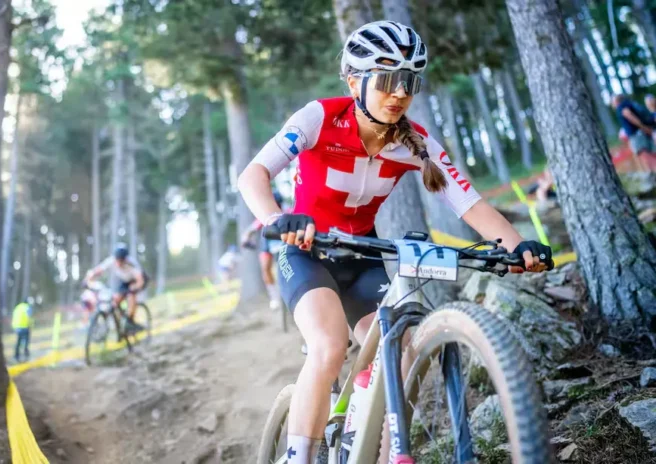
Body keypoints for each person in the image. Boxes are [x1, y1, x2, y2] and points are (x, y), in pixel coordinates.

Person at [237, 20, 553, 463]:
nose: (399, 92)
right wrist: (276, 218)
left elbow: (469, 203)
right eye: (386, 79)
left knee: (397, 350)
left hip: (363, 255)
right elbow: (253, 174)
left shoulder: (415, 143)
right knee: (329, 347)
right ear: (353, 81)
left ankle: (375, 448)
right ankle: (298, 456)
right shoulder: (319, 117)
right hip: (306, 251)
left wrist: (518, 245)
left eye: (410, 81)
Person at [84, 243, 147, 333]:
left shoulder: (132, 264)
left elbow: (140, 280)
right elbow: (98, 270)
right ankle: (119, 325)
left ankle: (130, 321)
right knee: (115, 301)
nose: (119, 263)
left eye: (121, 260)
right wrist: (88, 279)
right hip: (124, 281)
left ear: (125, 259)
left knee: (131, 295)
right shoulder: (112, 261)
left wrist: (135, 288)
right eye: (117, 260)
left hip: (136, 281)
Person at [241, 189, 287, 310]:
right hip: (268, 243)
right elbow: (251, 230)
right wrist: (246, 239)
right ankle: (274, 297)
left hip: (284, 241)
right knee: (265, 268)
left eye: (278, 204)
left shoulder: (288, 212)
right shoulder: (265, 216)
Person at [612, 94, 655, 172]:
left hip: (636, 135)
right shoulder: (629, 104)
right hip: (640, 133)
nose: (612, 104)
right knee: (649, 154)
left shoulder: (621, 107)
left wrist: (643, 127)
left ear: (616, 101)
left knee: (644, 155)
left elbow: (629, 115)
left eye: (613, 101)